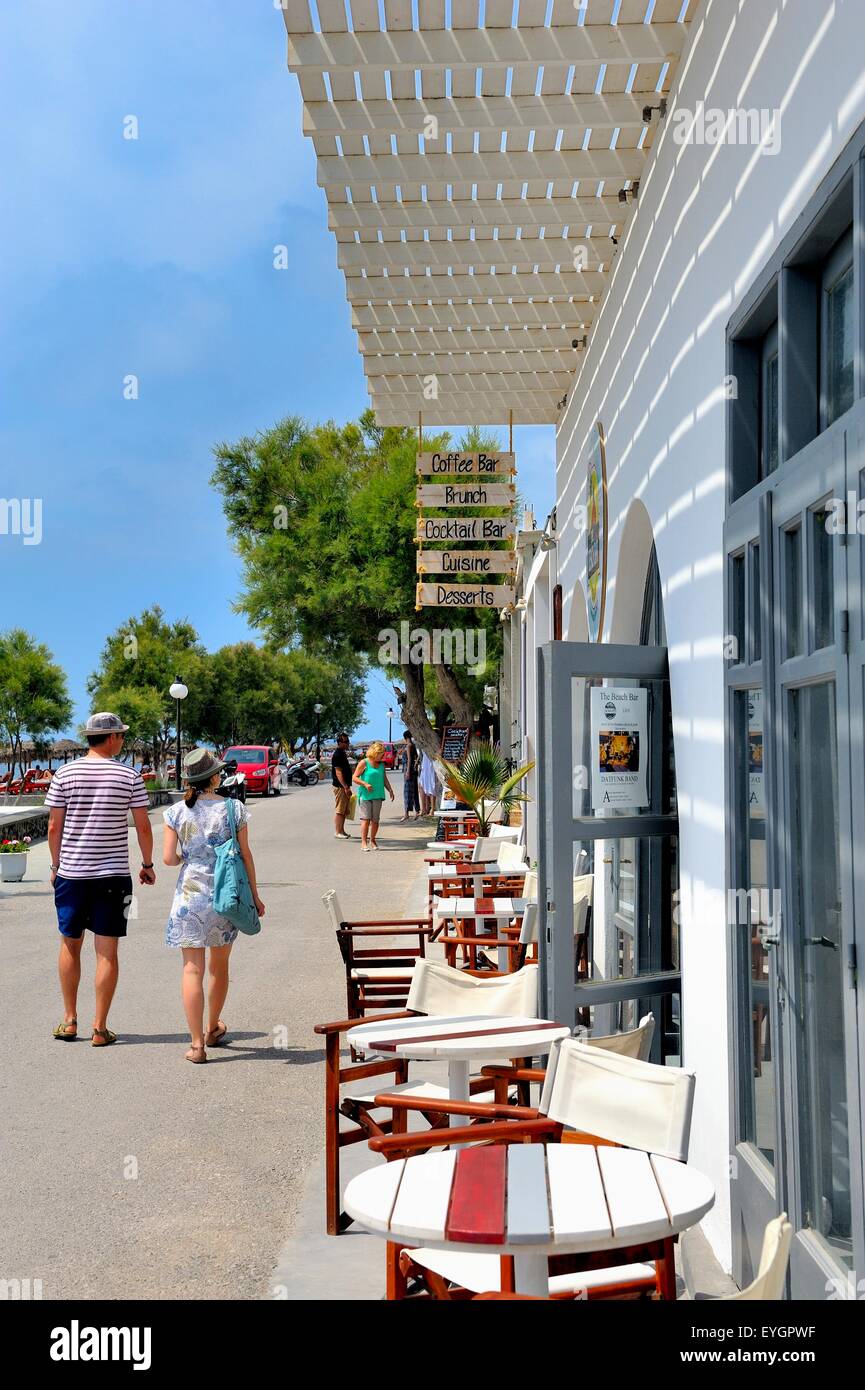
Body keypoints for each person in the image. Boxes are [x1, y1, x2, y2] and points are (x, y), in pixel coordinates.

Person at [46, 712, 156, 1047]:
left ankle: (69, 1020)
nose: (122, 740)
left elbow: (53, 827)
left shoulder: (64, 774)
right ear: (110, 738)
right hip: (114, 875)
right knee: (107, 950)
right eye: (121, 735)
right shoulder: (129, 776)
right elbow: (143, 826)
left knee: (70, 942)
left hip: (72, 874)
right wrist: (147, 864)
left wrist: (55, 866)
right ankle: (100, 1027)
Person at [162, 748, 265, 1064]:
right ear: (215, 777)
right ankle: (212, 1028)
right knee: (219, 967)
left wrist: (188, 859)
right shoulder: (234, 810)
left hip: (190, 895)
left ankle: (196, 1046)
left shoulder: (176, 812)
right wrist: (256, 897)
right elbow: (246, 855)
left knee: (191, 968)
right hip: (226, 894)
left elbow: (168, 858)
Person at [352, 739, 394, 852]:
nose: (383, 756)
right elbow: (354, 777)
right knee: (366, 819)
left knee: (375, 820)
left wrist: (390, 790)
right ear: (375, 753)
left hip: (378, 795)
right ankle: (364, 842)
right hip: (365, 795)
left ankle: (373, 840)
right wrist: (365, 784)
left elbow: (384, 779)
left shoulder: (381, 765)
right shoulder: (364, 763)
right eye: (381, 754)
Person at [331, 732, 353, 840]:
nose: (348, 743)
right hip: (340, 786)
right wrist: (345, 786)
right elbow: (338, 773)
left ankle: (342, 830)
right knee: (340, 810)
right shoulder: (337, 755)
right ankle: (337, 831)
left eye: (348, 741)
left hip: (344, 785)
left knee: (344, 810)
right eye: (346, 742)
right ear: (339, 743)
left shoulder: (342, 753)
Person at [400, 730, 421, 821]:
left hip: (408, 770)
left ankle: (406, 813)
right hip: (413, 770)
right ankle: (417, 811)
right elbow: (416, 758)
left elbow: (409, 760)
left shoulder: (408, 746)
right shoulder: (413, 745)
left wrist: (408, 771)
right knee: (414, 791)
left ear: (405, 737)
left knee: (407, 792)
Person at [419, 749, 440, 817]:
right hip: (424, 764)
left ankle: (432, 809)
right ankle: (424, 809)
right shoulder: (422, 743)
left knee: (431, 784)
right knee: (421, 785)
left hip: (431, 763)